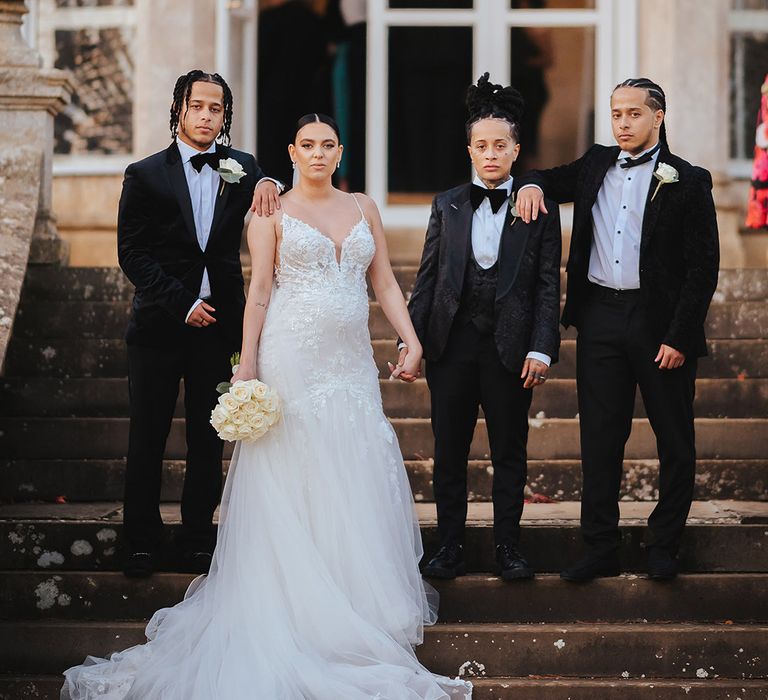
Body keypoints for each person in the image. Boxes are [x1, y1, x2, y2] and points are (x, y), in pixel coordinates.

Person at [61, 113, 473, 699]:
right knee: (294, 471)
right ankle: (296, 603)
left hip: (351, 364)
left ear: (340, 151)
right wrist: (248, 364)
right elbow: (258, 293)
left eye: (328, 144)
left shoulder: (365, 208)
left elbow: (382, 281)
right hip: (291, 357)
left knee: (353, 463)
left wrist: (411, 338)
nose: (318, 153)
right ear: (290, 151)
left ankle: (352, 598)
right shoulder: (269, 211)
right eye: (307, 145)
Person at [516, 77, 720, 582]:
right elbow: (545, 175)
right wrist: (533, 184)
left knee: (675, 439)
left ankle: (664, 544)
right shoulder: (595, 164)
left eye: (633, 113)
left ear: (658, 117)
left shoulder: (688, 180)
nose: (623, 122)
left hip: (659, 325)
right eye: (616, 114)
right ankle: (600, 545)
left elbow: (703, 268)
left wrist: (679, 334)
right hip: (601, 317)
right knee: (601, 437)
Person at [117, 70, 281, 578]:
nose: (207, 116)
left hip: (219, 328)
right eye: (198, 107)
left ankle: (196, 539)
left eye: (216, 109)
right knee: (148, 436)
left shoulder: (243, 167)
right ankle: (140, 541)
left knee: (209, 440)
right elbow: (132, 254)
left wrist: (273, 182)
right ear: (179, 110)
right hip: (160, 329)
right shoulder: (143, 175)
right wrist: (181, 301)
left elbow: (277, 199)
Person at [408, 74, 561, 582]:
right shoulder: (446, 203)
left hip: (510, 348)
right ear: (469, 150)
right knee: (448, 450)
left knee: (509, 451)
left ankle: (508, 547)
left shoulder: (538, 207)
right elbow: (427, 280)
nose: (490, 153)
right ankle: (448, 545)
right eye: (481, 145)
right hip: (450, 345)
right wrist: (413, 343)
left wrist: (541, 349)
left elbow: (545, 285)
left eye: (500, 145)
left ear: (517, 150)